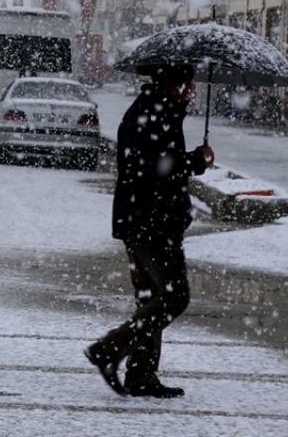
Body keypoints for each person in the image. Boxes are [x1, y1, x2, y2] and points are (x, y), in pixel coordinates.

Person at [84, 63, 215, 398]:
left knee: (151, 298)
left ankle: (141, 374)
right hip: (153, 222)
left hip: (143, 218)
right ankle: (109, 349)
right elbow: (156, 166)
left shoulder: (156, 109)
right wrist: (196, 161)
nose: (193, 89)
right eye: (188, 82)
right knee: (174, 297)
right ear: (171, 84)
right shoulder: (153, 113)